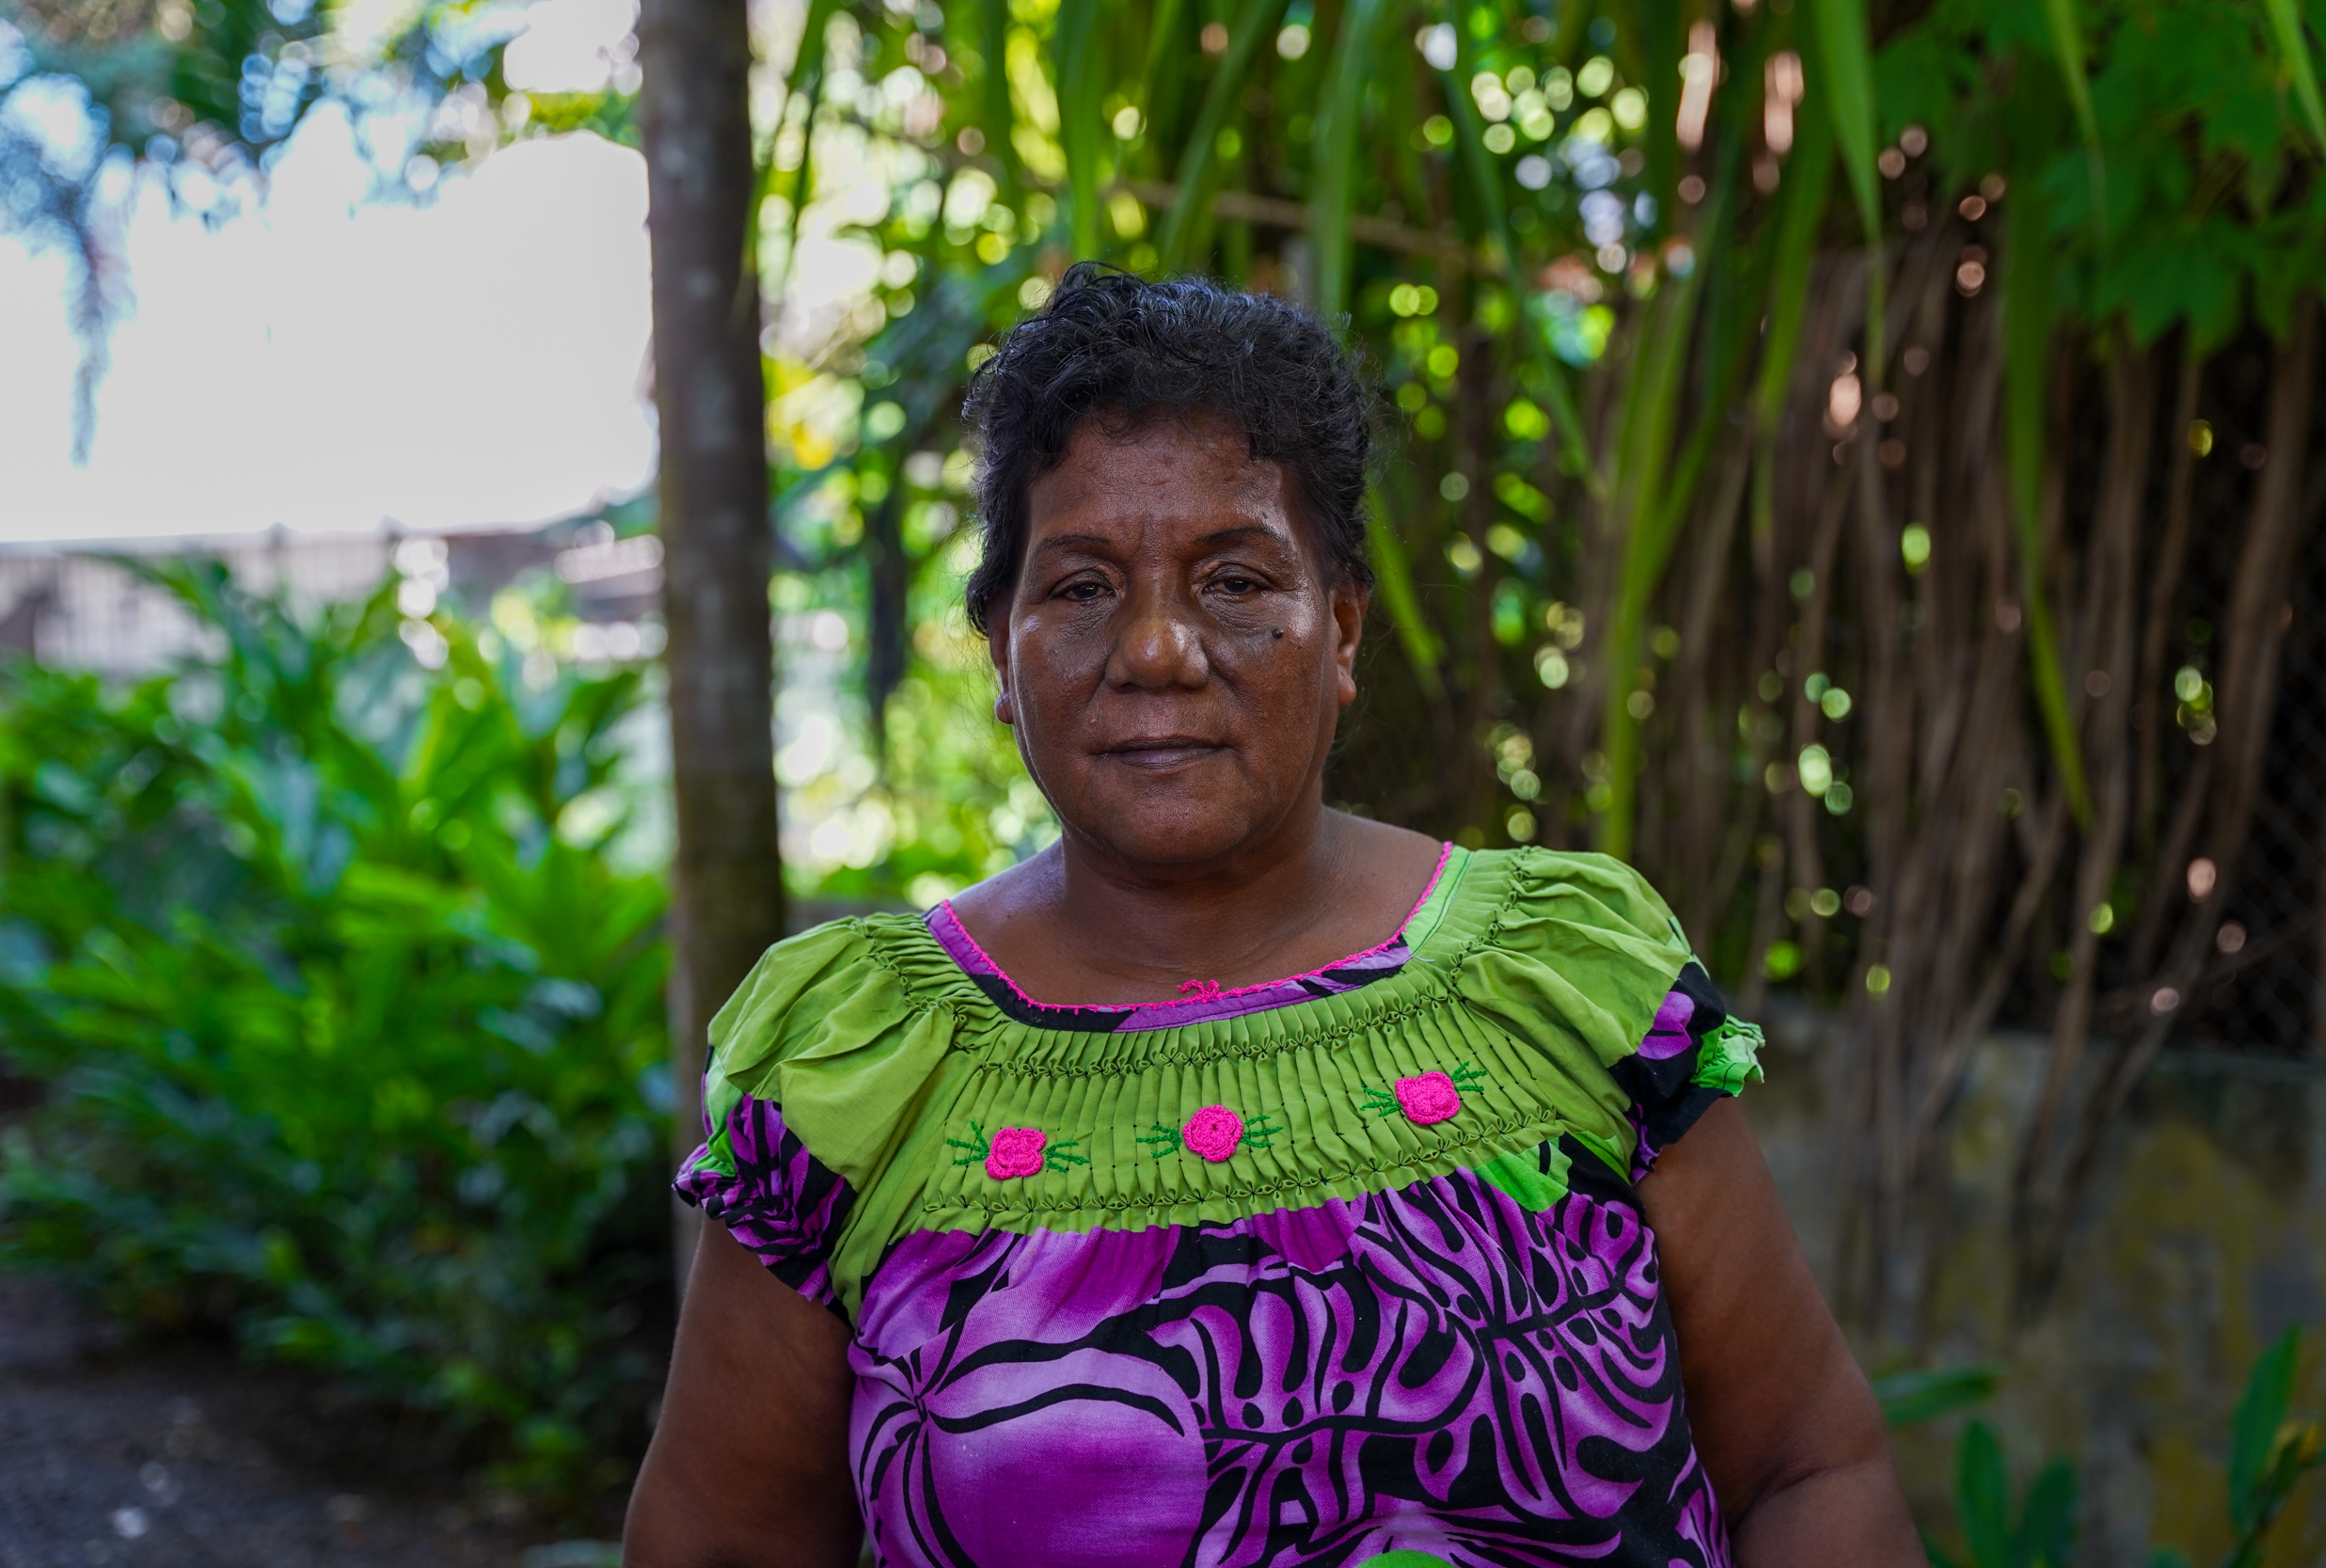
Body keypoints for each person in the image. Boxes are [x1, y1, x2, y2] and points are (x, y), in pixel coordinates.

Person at [623, 266, 1920, 1567]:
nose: (1156, 651)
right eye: (1079, 588)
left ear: (1342, 631)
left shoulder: (1569, 984)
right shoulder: (865, 1070)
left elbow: (1812, 1467)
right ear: (1002, 659)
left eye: (1234, 581)